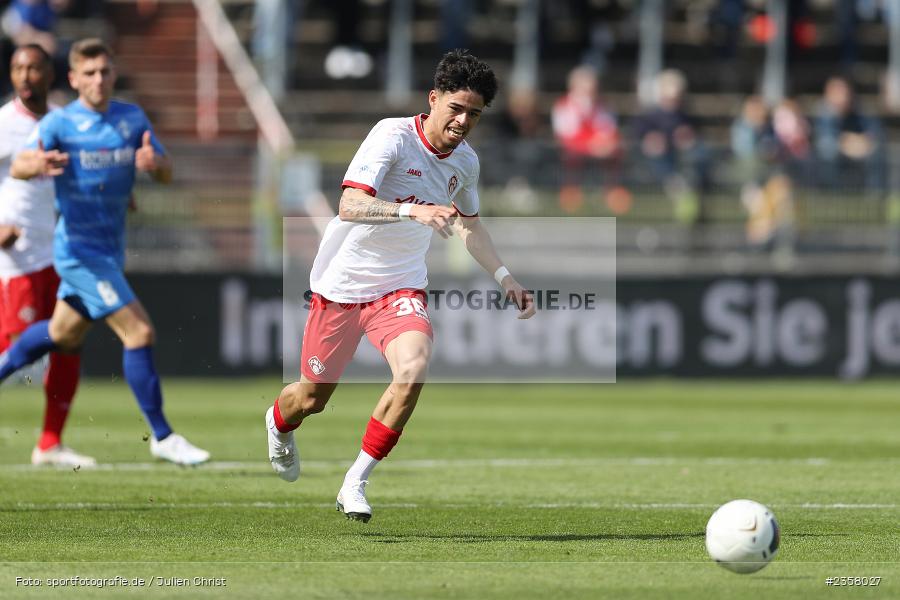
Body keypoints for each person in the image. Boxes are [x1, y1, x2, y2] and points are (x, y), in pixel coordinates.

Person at [266, 49, 535, 522]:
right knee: (310, 398)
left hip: (400, 287)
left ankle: (355, 482)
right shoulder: (391, 135)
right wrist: (414, 210)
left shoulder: (465, 163)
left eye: (474, 113)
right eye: (456, 108)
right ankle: (278, 424)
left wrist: (504, 277)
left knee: (412, 369)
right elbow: (349, 204)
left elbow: (471, 226)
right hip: (342, 286)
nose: (463, 120)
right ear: (433, 99)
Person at [2, 38, 209, 466]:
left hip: (110, 251)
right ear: (74, 79)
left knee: (60, 335)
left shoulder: (130, 119)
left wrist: (156, 166)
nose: (98, 80)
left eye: (105, 72)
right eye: (89, 73)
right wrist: (35, 166)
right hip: (78, 253)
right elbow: (20, 164)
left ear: (113, 74)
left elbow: (167, 172)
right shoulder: (60, 124)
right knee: (139, 333)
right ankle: (163, 435)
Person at [0, 44, 91, 467]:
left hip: (60, 250)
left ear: (49, 74)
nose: (25, 75)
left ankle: (50, 442)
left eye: (34, 67)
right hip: (16, 257)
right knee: (18, 349)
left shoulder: (63, 122)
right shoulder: (4, 123)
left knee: (69, 342)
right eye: (18, 67)